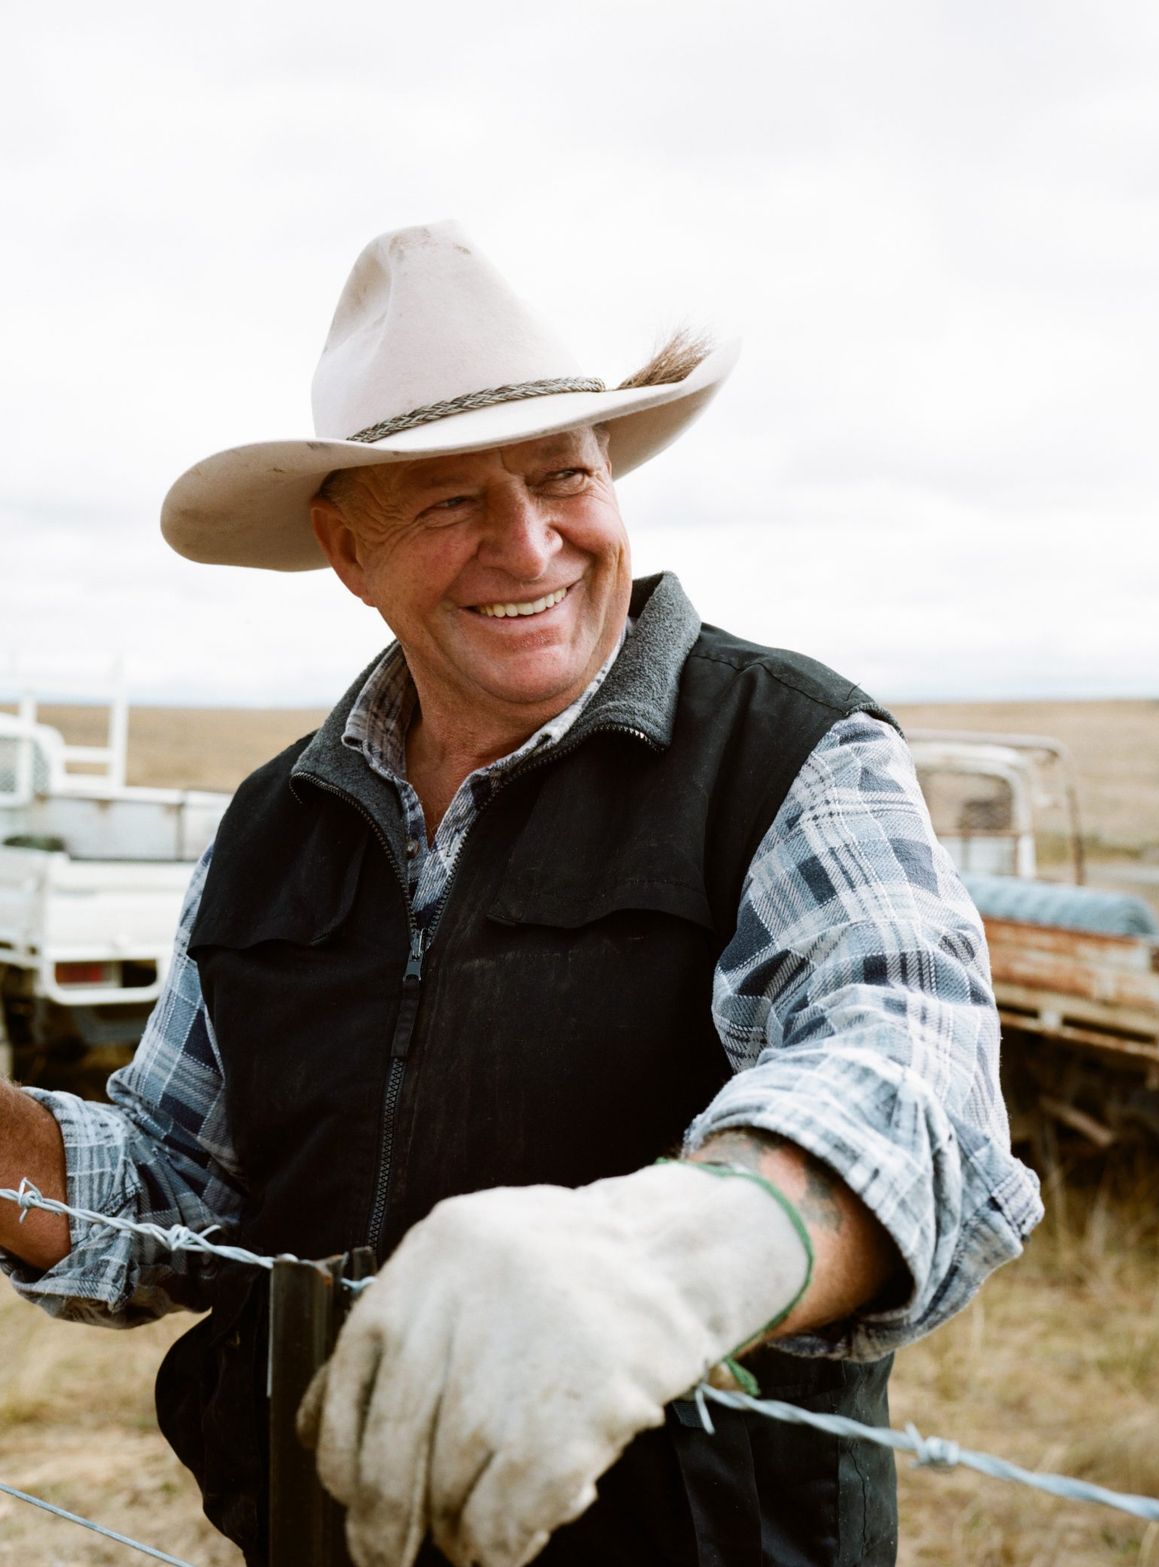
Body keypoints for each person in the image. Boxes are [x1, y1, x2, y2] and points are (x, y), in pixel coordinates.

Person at [0, 222, 1041, 1567]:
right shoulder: (271, 824)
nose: (527, 542)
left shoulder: (787, 751)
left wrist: (675, 1252)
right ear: (345, 549)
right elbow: (177, 1192)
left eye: (562, 476)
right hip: (326, 1535)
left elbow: (910, 1076)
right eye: (447, 502)